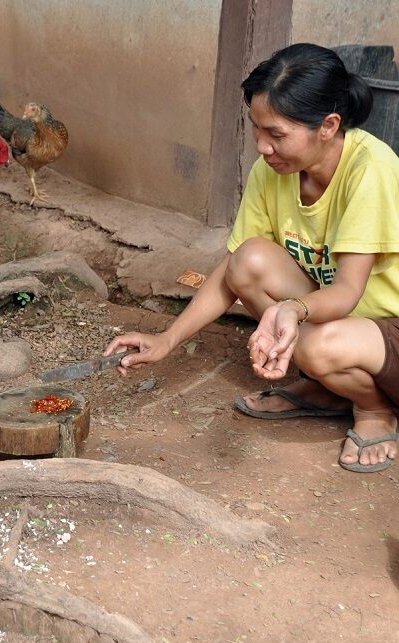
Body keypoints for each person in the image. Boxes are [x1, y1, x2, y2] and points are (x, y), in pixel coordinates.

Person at [105, 43, 399, 473]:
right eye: (257, 129)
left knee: (314, 345)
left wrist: (292, 309)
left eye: (277, 134)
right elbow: (233, 273)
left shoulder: (370, 169)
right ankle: (334, 388)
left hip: (387, 326)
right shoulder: (274, 170)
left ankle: (372, 409)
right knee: (248, 260)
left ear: (328, 125)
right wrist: (168, 339)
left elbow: (349, 292)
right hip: (341, 319)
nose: (262, 146)